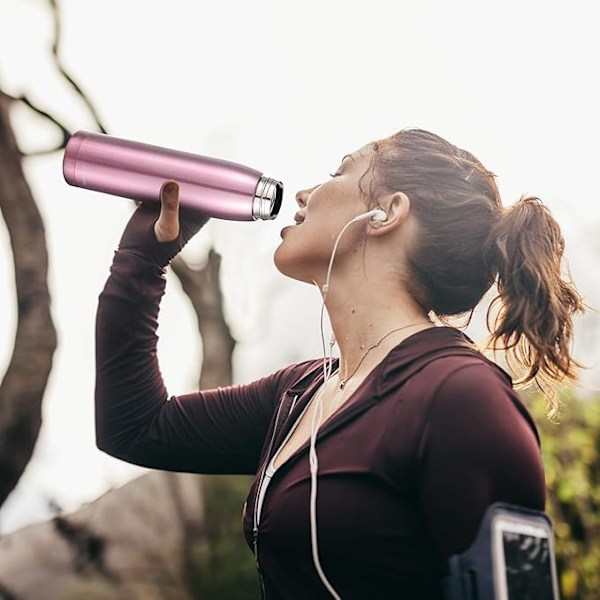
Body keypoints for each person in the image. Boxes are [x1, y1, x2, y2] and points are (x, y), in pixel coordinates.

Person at [94, 128, 584, 599]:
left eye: (339, 170)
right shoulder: (298, 395)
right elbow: (135, 427)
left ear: (387, 212)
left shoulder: (461, 397)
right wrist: (142, 259)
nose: (303, 193)